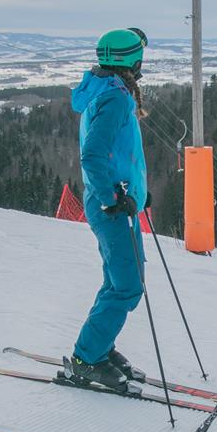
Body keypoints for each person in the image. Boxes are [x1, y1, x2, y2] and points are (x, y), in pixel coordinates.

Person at [65, 27, 151, 393]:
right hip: (112, 206)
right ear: (132, 60)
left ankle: (100, 346)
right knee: (128, 286)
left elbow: (117, 153)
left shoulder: (108, 90)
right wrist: (111, 198)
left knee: (118, 281)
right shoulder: (114, 97)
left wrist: (139, 192)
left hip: (119, 202)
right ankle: (87, 357)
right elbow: (93, 154)